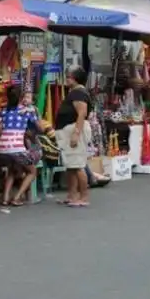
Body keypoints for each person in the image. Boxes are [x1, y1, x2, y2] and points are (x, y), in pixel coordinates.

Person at [0, 85, 39, 208]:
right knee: (32, 171)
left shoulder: (4, 110)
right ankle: (17, 198)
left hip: (2, 149)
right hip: (17, 149)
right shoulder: (27, 111)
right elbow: (41, 128)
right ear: (21, 98)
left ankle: (5, 198)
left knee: (12, 170)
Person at [55, 66, 92, 207]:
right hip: (68, 129)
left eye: (69, 77)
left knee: (78, 165)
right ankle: (72, 195)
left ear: (76, 79)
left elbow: (82, 113)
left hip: (73, 129)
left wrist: (76, 133)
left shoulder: (79, 93)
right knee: (71, 166)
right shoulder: (74, 92)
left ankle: (83, 197)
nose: (67, 79)